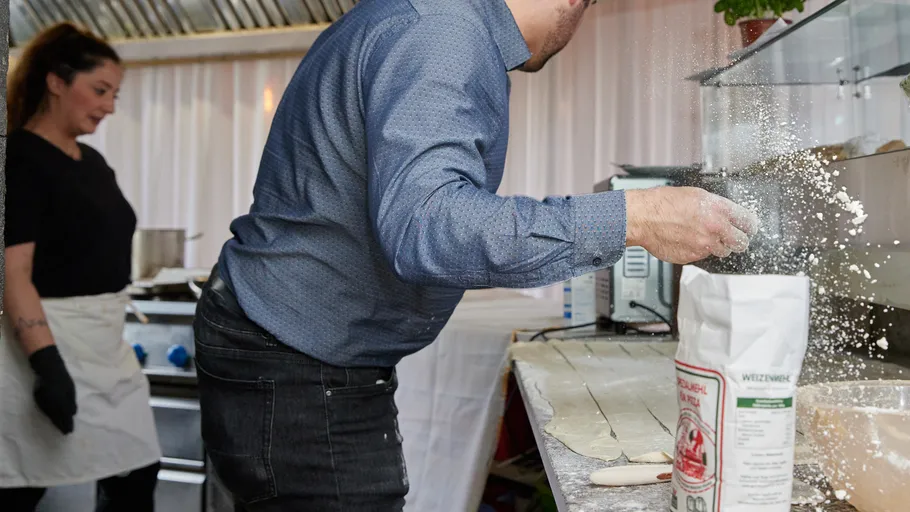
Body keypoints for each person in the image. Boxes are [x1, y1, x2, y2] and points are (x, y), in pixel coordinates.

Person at [193, 0, 760, 509]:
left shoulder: (430, 20)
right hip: (296, 355)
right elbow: (429, 227)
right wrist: (635, 216)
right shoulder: (443, 29)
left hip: (295, 344)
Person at [0, 22, 162, 512]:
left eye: (114, 93)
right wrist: (47, 366)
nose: (110, 105)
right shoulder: (19, 160)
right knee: (21, 483)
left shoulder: (92, 162)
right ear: (55, 81)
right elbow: (13, 274)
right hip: (43, 341)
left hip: (105, 344)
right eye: (99, 90)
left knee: (137, 469)